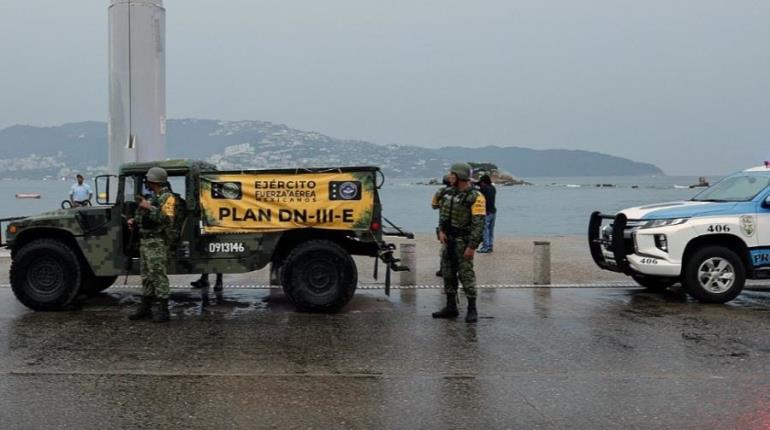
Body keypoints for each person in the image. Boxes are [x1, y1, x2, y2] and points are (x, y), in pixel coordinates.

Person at [433, 162, 486, 323]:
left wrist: (472, 246)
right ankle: (451, 306)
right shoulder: (448, 193)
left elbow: (479, 224)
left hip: (463, 241)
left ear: (459, 176)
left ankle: (472, 308)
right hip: (448, 240)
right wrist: (441, 231)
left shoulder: (475, 197)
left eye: (452, 174)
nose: (449, 176)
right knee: (448, 274)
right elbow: (440, 211)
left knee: (466, 274)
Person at [127, 167, 176, 323]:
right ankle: (146, 307)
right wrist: (134, 221)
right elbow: (145, 217)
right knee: (146, 276)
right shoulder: (154, 196)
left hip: (157, 242)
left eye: (148, 180)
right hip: (146, 241)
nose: (146, 183)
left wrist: (149, 207)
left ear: (154, 181)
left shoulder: (168, 198)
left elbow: (167, 219)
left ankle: (163, 310)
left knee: (158, 275)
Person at [431, 175, 455, 277]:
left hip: (444, 224)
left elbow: (434, 205)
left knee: (445, 247)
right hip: (458, 223)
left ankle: (443, 269)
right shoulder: (460, 191)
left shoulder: (440, 192)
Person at [477, 174, 497, 253]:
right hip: (493, 211)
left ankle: (485, 247)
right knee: (491, 230)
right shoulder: (493, 188)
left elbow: (477, 192)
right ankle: (490, 246)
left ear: (484, 182)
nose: (480, 184)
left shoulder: (483, 189)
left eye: (481, 182)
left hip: (486, 212)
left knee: (485, 230)